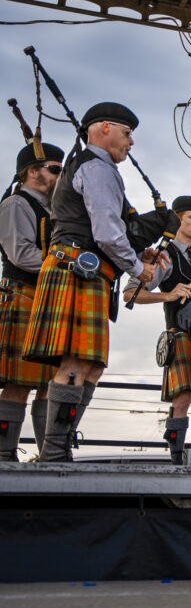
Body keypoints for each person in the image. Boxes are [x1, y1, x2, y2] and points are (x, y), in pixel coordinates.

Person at [22, 103, 164, 462]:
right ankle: (54, 453)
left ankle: (59, 446)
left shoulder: (90, 166)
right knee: (77, 362)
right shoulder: (97, 168)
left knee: (92, 366)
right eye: (127, 133)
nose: (130, 142)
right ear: (104, 128)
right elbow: (107, 233)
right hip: (77, 267)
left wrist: (137, 257)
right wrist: (138, 269)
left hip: (85, 269)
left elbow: (104, 230)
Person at [122, 195, 191, 464]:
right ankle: (175, 457)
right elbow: (130, 294)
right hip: (182, 332)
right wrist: (169, 295)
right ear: (177, 220)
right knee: (183, 397)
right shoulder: (164, 255)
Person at [0, 143, 63, 461]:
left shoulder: (54, 210)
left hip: (45, 299)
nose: (58, 176)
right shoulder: (15, 203)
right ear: (31, 171)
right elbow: (21, 254)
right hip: (22, 295)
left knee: (52, 383)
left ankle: (49, 456)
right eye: (54, 169)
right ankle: (3, 454)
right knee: (19, 383)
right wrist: (65, 264)